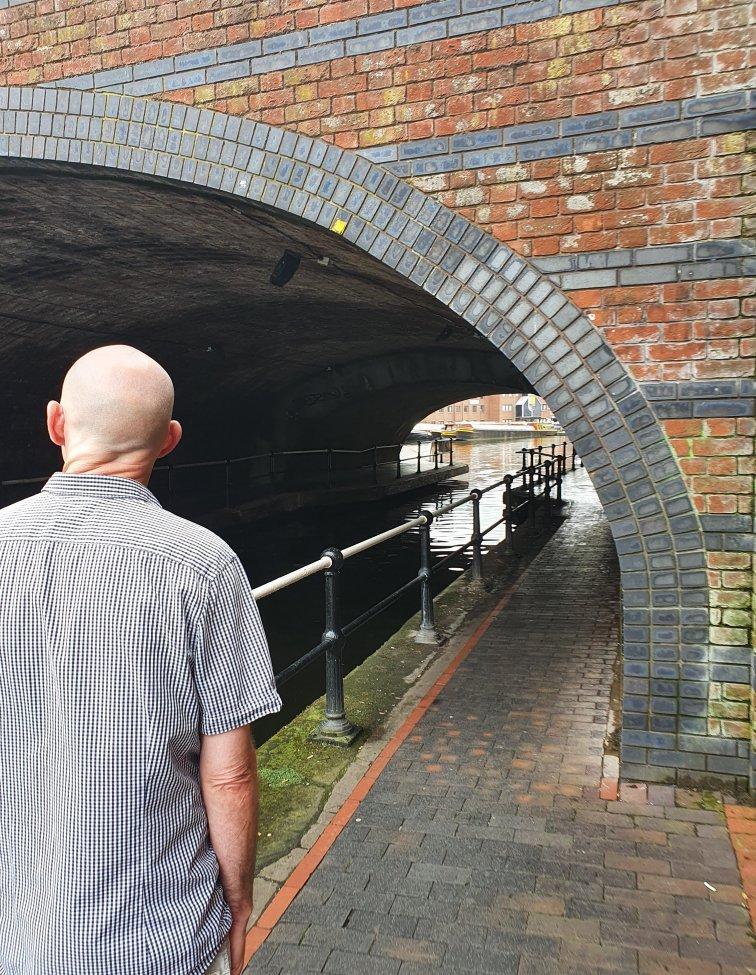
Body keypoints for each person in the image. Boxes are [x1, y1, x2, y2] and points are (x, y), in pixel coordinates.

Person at [0, 346, 282, 975]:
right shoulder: (204, 562)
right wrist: (238, 897)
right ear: (169, 441)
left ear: (56, 424)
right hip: (153, 933)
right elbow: (230, 774)